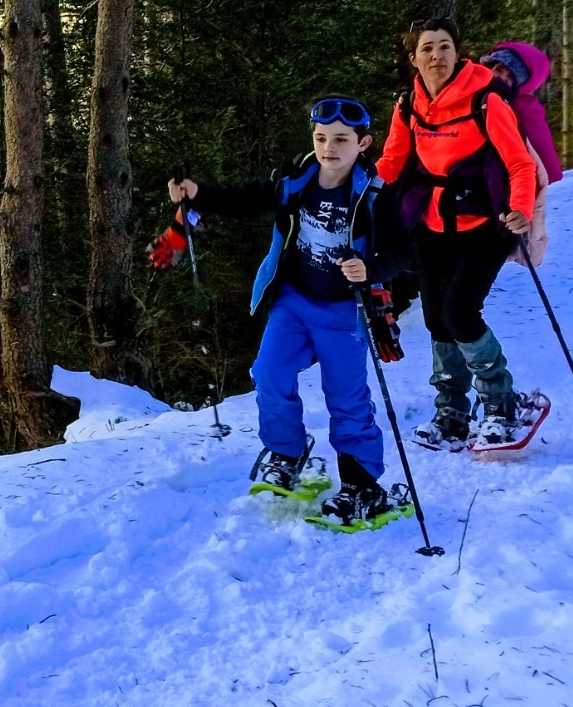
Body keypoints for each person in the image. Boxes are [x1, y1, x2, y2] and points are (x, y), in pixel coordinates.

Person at [153, 98, 412, 529]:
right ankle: (287, 452)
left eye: (341, 140)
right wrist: (200, 195)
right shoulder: (296, 178)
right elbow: (247, 197)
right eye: (322, 138)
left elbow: (406, 250)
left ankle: (363, 484)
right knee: (269, 374)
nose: (329, 147)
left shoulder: (376, 195)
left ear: (363, 143)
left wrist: (372, 268)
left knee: (347, 398)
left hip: (345, 311)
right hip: (294, 301)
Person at [375, 19, 538, 450]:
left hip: (487, 224)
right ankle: (452, 410)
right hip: (431, 225)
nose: (436, 56)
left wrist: (521, 209)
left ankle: (502, 403)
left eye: (444, 46)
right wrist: (350, 189)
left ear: (457, 53)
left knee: (461, 312)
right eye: (427, 48)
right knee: (435, 319)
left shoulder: (486, 101)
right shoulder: (408, 105)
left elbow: (519, 164)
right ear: (414, 59)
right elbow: (392, 162)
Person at [482, 41, 563, 267]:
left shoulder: (524, 110)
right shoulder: (463, 88)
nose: (500, 75)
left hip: (495, 207)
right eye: (498, 67)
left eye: (510, 75)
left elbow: (543, 170)